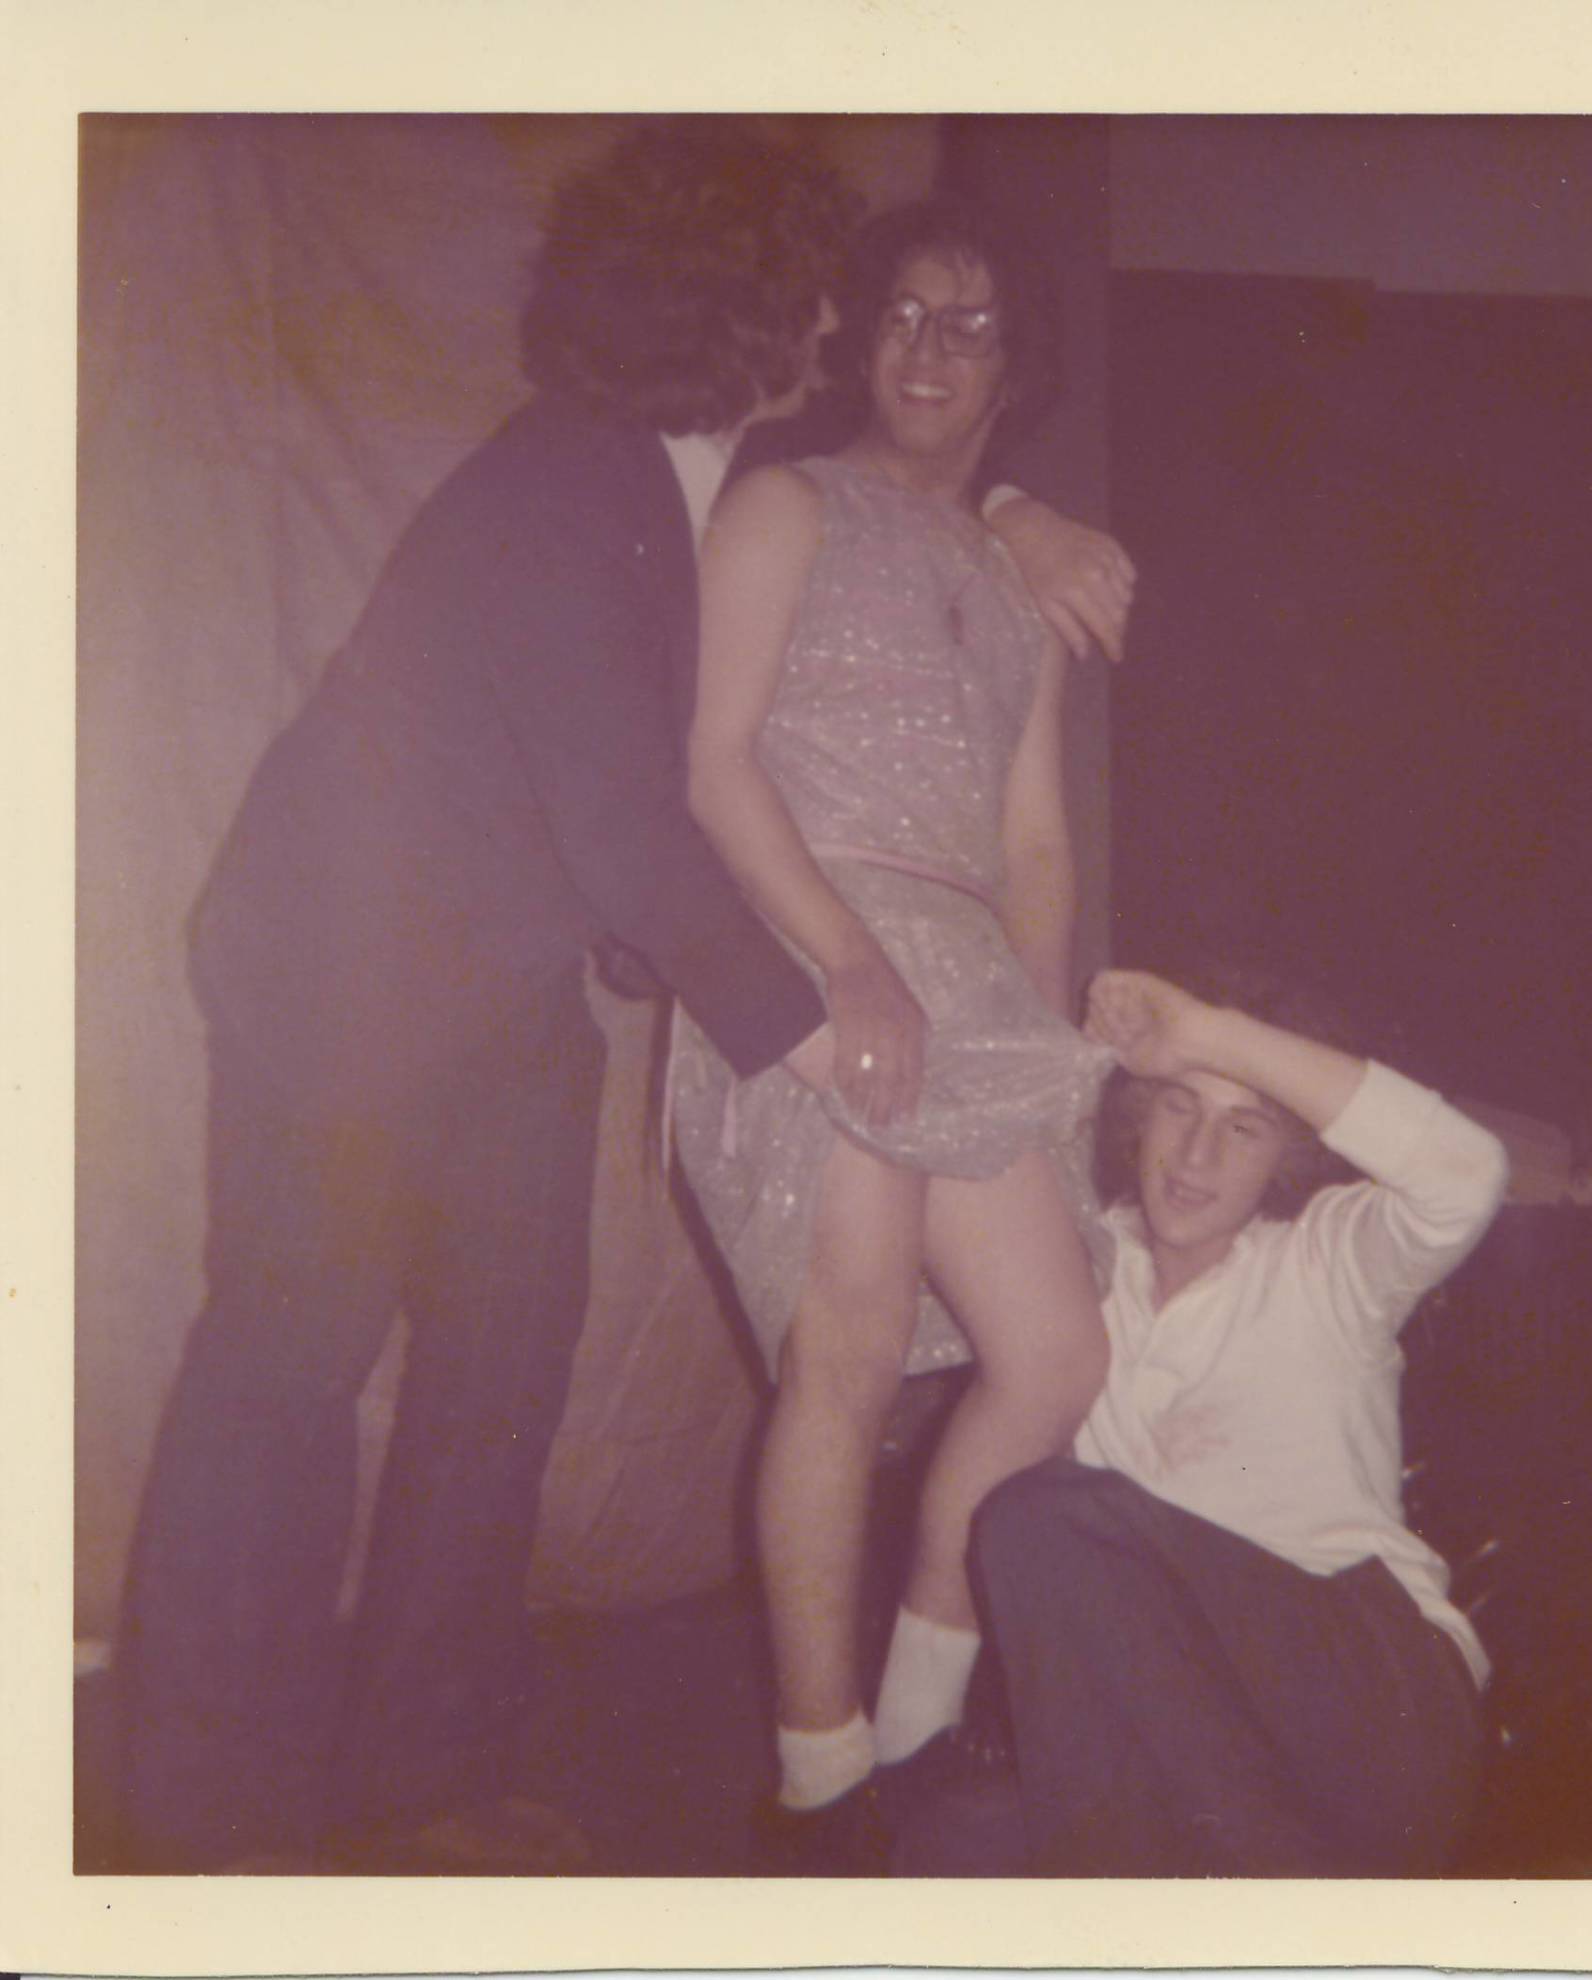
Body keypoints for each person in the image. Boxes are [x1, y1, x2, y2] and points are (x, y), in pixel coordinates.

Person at [112, 127, 1129, 1875]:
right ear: (740, 312)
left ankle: (423, 1781)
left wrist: (1020, 508)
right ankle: (202, 1823)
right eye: (827, 298)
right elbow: (627, 821)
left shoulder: (696, 481)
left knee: (501, 1379)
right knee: (287, 1366)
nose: (854, 328)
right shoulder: (572, 490)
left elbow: (905, 513)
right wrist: (825, 1035)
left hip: (504, 996)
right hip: (338, 980)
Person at [672, 195, 1121, 1869]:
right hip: (812, 948)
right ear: (864, 338)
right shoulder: (783, 502)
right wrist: (846, 962)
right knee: (845, 1359)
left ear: (1016, 365)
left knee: (1058, 1358)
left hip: (970, 986)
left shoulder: (1018, 581)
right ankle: (818, 1779)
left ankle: (917, 1728)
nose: (931, 347)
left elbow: (1036, 851)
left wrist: (1055, 1072)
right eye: (905, 315)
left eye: (971, 323)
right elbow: (710, 763)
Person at [968, 964, 1511, 1876]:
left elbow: (1468, 1173)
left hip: (1375, 1694)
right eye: (1179, 1106)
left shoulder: (1326, 1262)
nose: (1197, 1155)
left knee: (1041, 1517)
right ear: (1139, 1117)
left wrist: (1204, 1037)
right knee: (952, 1844)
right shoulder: (1077, 1275)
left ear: (1285, 1158)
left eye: (1244, 1127)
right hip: (1198, 1731)